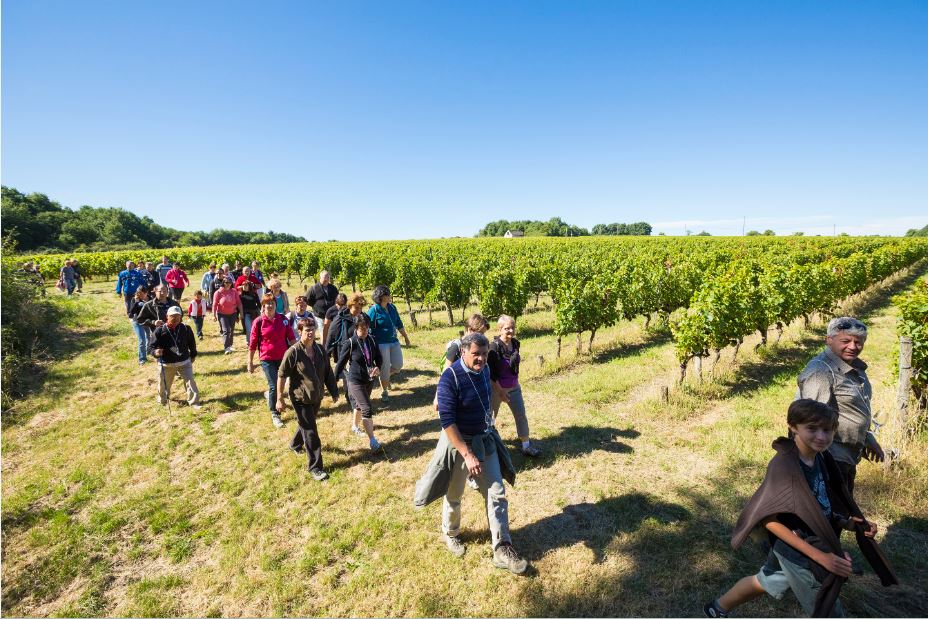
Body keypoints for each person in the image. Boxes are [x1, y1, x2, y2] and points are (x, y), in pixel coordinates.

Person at [704, 399, 896, 618]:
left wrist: (849, 523)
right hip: (799, 551)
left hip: (795, 546)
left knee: (766, 580)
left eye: (827, 430)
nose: (821, 437)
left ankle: (716, 608)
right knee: (828, 610)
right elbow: (770, 521)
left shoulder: (821, 457)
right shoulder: (785, 466)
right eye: (812, 429)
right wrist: (821, 557)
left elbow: (819, 503)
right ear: (793, 426)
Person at [413, 332, 527, 574]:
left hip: (484, 439)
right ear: (463, 352)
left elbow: (491, 380)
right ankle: (451, 532)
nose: (481, 359)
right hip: (459, 443)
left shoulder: (484, 369)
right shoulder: (450, 378)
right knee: (455, 492)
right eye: (476, 354)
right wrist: (466, 453)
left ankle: (502, 546)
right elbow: (447, 421)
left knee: (497, 491)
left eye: (485, 354)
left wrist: (500, 393)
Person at [797, 317, 884, 496]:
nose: (853, 346)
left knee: (842, 511)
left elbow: (853, 410)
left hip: (847, 456)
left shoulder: (854, 368)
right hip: (830, 457)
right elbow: (810, 421)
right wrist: (815, 465)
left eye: (858, 342)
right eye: (845, 341)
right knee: (830, 514)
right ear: (829, 340)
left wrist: (868, 438)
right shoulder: (821, 371)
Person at [277, 319, 339, 481]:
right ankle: (316, 467)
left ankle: (295, 444)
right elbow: (282, 375)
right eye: (306, 330)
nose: (310, 333)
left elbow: (327, 372)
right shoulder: (293, 352)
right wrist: (279, 399)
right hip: (300, 398)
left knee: (306, 424)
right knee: (311, 431)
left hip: (316, 396)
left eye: (312, 329)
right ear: (299, 332)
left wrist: (333, 391)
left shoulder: (319, 349)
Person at [488, 315, 541, 457]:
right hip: (496, 389)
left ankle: (526, 446)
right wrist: (500, 392)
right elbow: (491, 374)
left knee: (521, 415)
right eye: (507, 328)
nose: (510, 331)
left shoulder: (516, 343)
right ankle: (489, 447)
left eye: (512, 327)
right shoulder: (493, 348)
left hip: (514, 387)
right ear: (499, 329)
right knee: (490, 418)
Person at [334, 313, 384, 449]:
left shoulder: (372, 340)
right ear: (356, 328)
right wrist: (334, 381)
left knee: (359, 405)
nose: (364, 331)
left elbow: (379, 358)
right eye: (362, 329)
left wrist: (377, 367)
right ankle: (373, 441)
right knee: (366, 408)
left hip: (369, 379)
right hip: (355, 380)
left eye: (366, 328)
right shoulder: (350, 343)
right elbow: (340, 364)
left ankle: (355, 426)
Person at [249, 294, 297, 428]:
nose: (270, 306)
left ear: (276, 305)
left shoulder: (283, 319)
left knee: (282, 383)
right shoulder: (258, 322)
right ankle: (275, 414)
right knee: (273, 385)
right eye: (267, 303)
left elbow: (291, 338)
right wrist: (250, 362)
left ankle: (271, 396)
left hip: (283, 357)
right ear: (263, 306)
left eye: (272, 303)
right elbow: (252, 344)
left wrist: (299, 353)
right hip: (267, 358)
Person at [367, 285, 411, 403]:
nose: (390, 296)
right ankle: (384, 390)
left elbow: (398, 323)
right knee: (385, 367)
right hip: (381, 344)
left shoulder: (392, 307)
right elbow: (367, 327)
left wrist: (405, 337)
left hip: (394, 341)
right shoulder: (374, 310)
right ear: (381, 296)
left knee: (398, 365)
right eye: (388, 294)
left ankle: (384, 377)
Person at [149, 306, 200, 407]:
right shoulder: (160, 331)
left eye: (178, 316)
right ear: (167, 316)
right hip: (166, 364)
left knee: (190, 382)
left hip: (184, 361)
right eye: (172, 316)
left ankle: (194, 402)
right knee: (164, 384)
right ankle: (163, 401)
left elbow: (191, 343)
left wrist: (193, 354)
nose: (176, 318)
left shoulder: (186, 328)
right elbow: (151, 347)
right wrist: (155, 352)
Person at [212, 276, 244, 354]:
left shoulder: (234, 291)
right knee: (226, 330)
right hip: (222, 314)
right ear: (223, 283)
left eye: (229, 283)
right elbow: (214, 304)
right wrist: (214, 315)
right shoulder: (218, 292)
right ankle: (226, 347)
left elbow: (239, 303)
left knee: (231, 330)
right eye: (226, 282)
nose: (228, 284)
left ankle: (230, 345)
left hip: (233, 313)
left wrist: (241, 313)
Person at [127, 287, 151, 365]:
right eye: (138, 294)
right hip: (137, 321)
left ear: (146, 293)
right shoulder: (134, 300)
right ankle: (142, 359)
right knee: (142, 340)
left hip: (147, 321)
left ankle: (148, 352)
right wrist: (136, 302)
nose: (140, 295)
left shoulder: (150, 299)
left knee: (149, 337)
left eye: (142, 294)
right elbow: (131, 313)